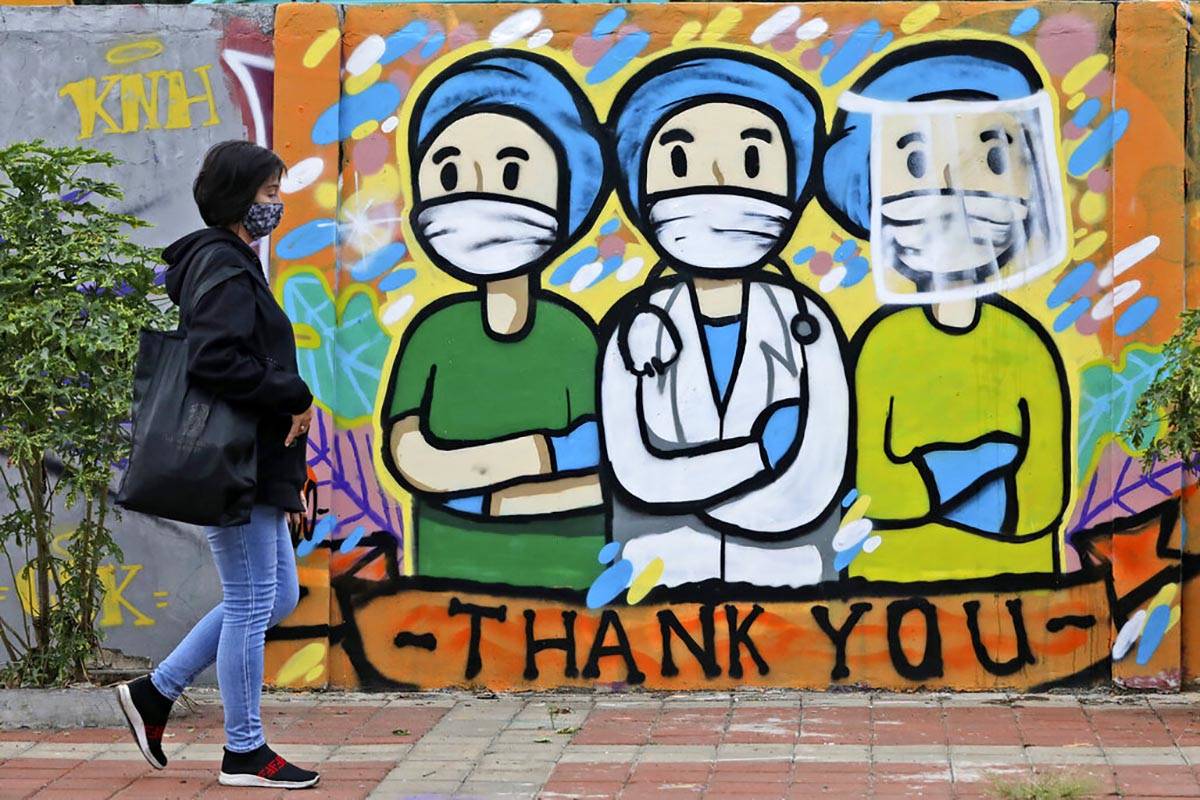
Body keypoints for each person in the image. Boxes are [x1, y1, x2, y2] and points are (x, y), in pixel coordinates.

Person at [599, 50, 851, 588]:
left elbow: (816, 480)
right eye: (681, 163)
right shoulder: (633, 329)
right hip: (656, 582)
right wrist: (760, 453)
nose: (717, 183)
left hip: (789, 577)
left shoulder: (809, 326)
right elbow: (635, 474)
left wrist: (695, 489)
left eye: (753, 163)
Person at [822, 40, 1072, 581]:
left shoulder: (1027, 344)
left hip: (1020, 594)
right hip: (891, 591)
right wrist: (986, 461)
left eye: (993, 159)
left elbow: (1044, 498)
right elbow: (875, 491)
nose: (956, 192)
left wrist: (931, 480)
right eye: (915, 162)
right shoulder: (882, 345)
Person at [115, 140, 320, 790]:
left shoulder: (229, 262)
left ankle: (158, 690)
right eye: (267, 194)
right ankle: (244, 750)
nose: (276, 205)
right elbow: (213, 359)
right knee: (252, 597)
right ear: (238, 198)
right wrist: (292, 393)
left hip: (254, 462)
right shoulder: (226, 269)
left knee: (275, 594)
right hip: (233, 464)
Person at [379, 51, 609, 589]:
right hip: (446, 577)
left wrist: (487, 494)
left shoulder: (573, 334)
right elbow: (413, 459)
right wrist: (542, 457)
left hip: (574, 581)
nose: (479, 193)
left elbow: (609, 467)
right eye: (451, 172)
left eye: (511, 171)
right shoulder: (435, 332)